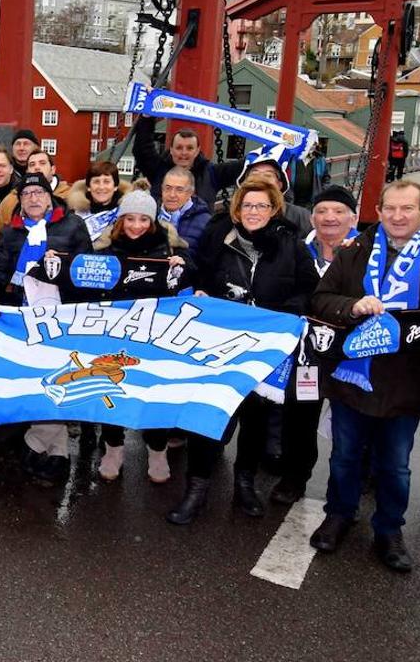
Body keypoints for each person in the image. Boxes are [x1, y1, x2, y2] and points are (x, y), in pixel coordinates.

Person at [309, 180, 420, 572]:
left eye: (407, 208)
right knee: (344, 457)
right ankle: (339, 514)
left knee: (396, 465)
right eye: (390, 208)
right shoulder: (354, 252)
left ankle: (389, 529)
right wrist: (352, 306)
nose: (397, 216)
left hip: (407, 382)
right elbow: (321, 299)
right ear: (379, 209)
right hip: (352, 376)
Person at [167, 176, 319, 524]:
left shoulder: (291, 245)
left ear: (273, 209)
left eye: (261, 205)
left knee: (256, 417)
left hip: (264, 346)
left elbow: (309, 289)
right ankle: (197, 489)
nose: (253, 211)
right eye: (247, 205)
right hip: (219, 342)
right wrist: (195, 284)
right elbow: (199, 273)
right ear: (238, 208)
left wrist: (282, 315)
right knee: (208, 417)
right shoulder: (219, 237)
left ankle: (245, 483)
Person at [0, 173, 92, 484]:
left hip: (59, 315)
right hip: (20, 313)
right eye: (26, 193)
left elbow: (89, 271)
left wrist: (63, 269)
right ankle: (56, 452)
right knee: (31, 378)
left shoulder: (72, 226)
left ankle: (39, 443)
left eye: (38, 192)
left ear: (49, 195)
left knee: (54, 378)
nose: (32, 198)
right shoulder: (12, 231)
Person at [91, 190, 192, 484]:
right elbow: (80, 281)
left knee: (153, 394)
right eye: (130, 218)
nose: (136, 225)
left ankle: (157, 450)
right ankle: (113, 448)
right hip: (113, 336)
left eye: (143, 219)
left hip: (153, 338)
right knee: (111, 393)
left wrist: (180, 268)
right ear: (121, 220)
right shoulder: (104, 252)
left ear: (153, 221)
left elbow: (192, 277)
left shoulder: (168, 249)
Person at [271, 184, 359, 506]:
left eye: (338, 211)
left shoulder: (367, 252)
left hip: (350, 355)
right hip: (307, 353)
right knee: (299, 416)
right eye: (322, 211)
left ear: (353, 218)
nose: (329, 218)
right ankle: (295, 476)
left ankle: (351, 485)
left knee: (351, 423)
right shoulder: (296, 249)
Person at [132, 122, 230, 207]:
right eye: (179, 148)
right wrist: (147, 117)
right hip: (163, 226)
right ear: (171, 149)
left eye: (189, 148)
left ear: (197, 150)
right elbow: (142, 149)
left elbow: (242, 167)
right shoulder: (158, 169)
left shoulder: (211, 173)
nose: (184, 153)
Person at [0, 149, 71, 232]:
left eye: (42, 163)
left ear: (53, 169)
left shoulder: (69, 197)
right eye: (32, 164)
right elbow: (1, 235)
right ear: (27, 171)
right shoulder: (11, 201)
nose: (37, 167)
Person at [66, 160, 141, 242]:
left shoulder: (129, 212)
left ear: (115, 186)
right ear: (88, 187)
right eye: (96, 182)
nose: (101, 187)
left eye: (106, 182)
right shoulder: (73, 211)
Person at [157, 166, 211, 250]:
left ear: (190, 193)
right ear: (162, 189)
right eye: (168, 188)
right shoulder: (149, 215)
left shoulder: (205, 222)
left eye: (179, 190)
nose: (172, 195)